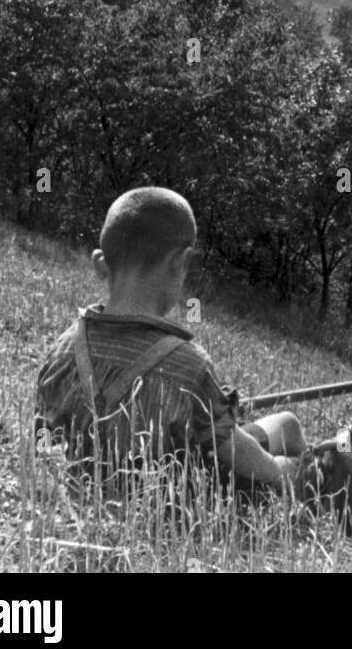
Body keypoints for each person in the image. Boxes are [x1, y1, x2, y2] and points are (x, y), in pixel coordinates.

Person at [35, 186, 308, 507]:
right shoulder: (188, 365)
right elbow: (230, 450)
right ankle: (308, 495)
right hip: (175, 502)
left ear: (100, 263)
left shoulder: (62, 348)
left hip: (84, 487)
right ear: (181, 262)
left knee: (285, 424)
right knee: (294, 452)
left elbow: (43, 441)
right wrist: (278, 470)